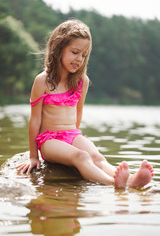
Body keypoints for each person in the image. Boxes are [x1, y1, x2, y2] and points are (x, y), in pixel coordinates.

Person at [16, 19, 154, 189]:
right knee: (81, 157)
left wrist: (75, 142)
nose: (79, 59)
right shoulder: (42, 81)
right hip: (49, 140)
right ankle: (114, 183)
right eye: (75, 52)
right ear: (58, 49)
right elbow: (35, 120)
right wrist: (33, 156)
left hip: (72, 135)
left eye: (83, 55)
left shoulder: (82, 82)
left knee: (96, 156)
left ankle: (132, 180)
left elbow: (78, 115)